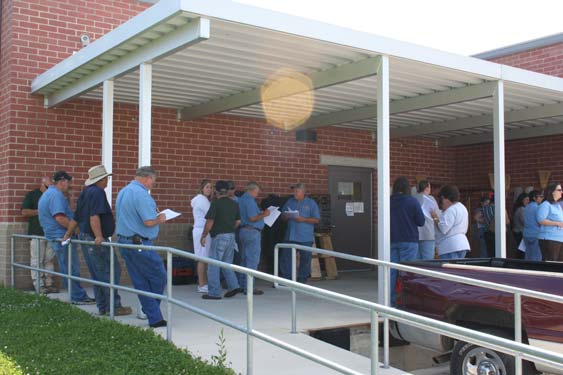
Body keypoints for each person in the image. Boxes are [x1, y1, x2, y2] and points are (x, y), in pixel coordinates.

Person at [62, 165, 132, 316]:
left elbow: (77, 216)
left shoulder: (85, 193)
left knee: (98, 272)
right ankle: (114, 306)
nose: (107, 181)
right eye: (106, 178)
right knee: (110, 270)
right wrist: (99, 236)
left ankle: (103, 306)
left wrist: (67, 234)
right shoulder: (98, 192)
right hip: (94, 238)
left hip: (86, 236)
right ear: (100, 180)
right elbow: (94, 216)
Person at [116, 166, 167, 328]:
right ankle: (152, 311)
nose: (153, 184)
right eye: (154, 181)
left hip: (124, 241)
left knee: (140, 280)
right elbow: (149, 221)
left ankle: (154, 317)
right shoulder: (141, 194)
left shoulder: (124, 191)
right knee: (159, 276)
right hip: (140, 243)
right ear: (147, 178)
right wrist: (161, 218)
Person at [38, 171, 94, 304]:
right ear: (62, 181)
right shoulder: (56, 195)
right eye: (68, 182)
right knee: (71, 267)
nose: (68, 185)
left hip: (56, 235)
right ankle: (78, 297)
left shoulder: (48, 193)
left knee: (66, 267)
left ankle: (76, 295)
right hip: (62, 236)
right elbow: (59, 217)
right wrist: (73, 229)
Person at [200, 180, 243, 300]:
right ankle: (234, 286)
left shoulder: (215, 203)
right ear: (228, 191)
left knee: (213, 265)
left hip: (219, 236)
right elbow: (238, 221)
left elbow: (210, 221)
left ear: (216, 191)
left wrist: (204, 235)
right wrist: (229, 228)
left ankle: (214, 292)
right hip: (231, 236)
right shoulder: (234, 204)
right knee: (226, 264)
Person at [390, 177, 425, 305]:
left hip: (392, 240)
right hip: (409, 240)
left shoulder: (389, 201)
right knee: (407, 272)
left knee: (392, 271)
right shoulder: (412, 201)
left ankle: (391, 302)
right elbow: (421, 222)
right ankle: (406, 302)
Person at [21, 176, 58, 294]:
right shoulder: (32, 195)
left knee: (49, 260)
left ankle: (49, 284)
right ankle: (39, 285)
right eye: (48, 186)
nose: (50, 188)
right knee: (37, 260)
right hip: (37, 233)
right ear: (42, 184)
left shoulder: (54, 196)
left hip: (51, 233)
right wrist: (41, 210)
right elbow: (24, 212)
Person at [280, 183, 320, 283]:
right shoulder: (290, 201)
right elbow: (282, 216)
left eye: (297, 191)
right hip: (290, 235)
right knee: (286, 259)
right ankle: (287, 280)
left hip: (305, 237)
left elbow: (316, 220)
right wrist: (287, 216)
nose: (294, 193)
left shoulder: (311, 203)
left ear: (303, 192)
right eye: (294, 191)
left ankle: (302, 280)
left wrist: (303, 219)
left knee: (305, 259)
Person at [238, 181, 270, 295]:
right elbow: (252, 218)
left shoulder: (240, 199)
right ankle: (249, 287)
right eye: (257, 192)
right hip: (252, 232)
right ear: (252, 190)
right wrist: (264, 215)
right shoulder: (250, 200)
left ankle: (242, 285)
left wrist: (260, 213)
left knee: (244, 260)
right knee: (252, 261)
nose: (257, 194)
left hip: (242, 231)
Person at [431, 184, 471, 260]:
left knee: (449, 271)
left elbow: (443, 228)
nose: (441, 203)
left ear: (446, 198)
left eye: (441, 200)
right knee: (457, 271)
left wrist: (435, 217)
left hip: (449, 246)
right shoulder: (462, 207)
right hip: (462, 244)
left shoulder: (451, 210)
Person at [191, 179, 212, 293]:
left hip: (201, 230)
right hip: (201, 230)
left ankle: (204, 282)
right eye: (207, 187)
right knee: (202, 258)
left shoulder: (201, 200)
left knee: (203, 257)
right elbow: (210, 216)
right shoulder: (202, 200)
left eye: (210, 187)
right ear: (202, 188)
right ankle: (201, 283)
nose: (209, 189)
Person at [537, 182, 563, 261]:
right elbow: (540, 220)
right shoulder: (545, 204)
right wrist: (557, 223)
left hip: (559, 239)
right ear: (552, 191)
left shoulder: (557, 205)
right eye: (559, 190)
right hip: (549, 239)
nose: (561, 192)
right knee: (551, 264)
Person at [413, 180, 437, 260]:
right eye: (430, 187)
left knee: (416, 262)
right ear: (427, 188)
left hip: (415, 234)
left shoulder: (413, 198)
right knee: (428, 262)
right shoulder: (431, 199)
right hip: (428, 234)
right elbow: (437, 215)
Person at [523, 190, 544, 261]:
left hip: (526, 233)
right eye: (540, 196)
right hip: (536, 234)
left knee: (528, 255)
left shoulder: (526, 207)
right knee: (537, 257)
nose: (542, 198)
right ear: (534, 198)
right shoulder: (538, 208)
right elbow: (540, 221)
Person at [512, 192, 530, 258]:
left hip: (518, 232)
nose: (528, 201)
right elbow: (525, 222)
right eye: (526, 200)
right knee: (522, 251)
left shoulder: (520, 208)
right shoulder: (522, 209)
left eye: (529, 200)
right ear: (521, 200)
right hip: (519, 232)